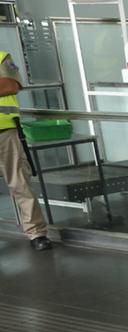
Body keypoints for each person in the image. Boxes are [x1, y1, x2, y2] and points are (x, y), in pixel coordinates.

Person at [0, 49, 51, 251]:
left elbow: (10, 85)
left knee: (19, 183)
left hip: (4, 129)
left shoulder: (1, 56)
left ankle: (36, 233)